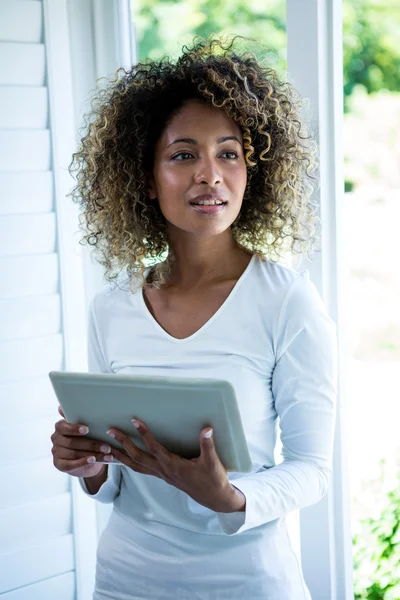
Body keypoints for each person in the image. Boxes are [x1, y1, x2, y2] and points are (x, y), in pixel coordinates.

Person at [50, 36, 338, 600]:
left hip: (248, 584)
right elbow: (114, 481)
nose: (211, 174)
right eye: (184, 155)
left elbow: (313, 468)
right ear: (145, 178)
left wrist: (229, 496)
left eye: (229, 153)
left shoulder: (287, 302)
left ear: (252, 172)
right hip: (126, 581)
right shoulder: (111, 307)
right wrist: (90, 467)